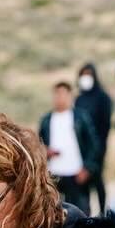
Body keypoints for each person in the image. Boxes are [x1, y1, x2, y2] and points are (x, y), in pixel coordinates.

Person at [39, 80, 103, 210]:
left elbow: (94, 145)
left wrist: (87, 168)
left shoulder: (81, 117)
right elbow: (39, 144)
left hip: (76, 173)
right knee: (54, 212)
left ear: (70, 96)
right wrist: (45, 151)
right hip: (53, 174)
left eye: (63, 94)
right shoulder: (46, 120)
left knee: (80, 213)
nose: (60, 97)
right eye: (57, 94)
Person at [75, 63, 113, 215]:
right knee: (84, 184)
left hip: (98, 147)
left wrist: (100, 149)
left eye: (89, 74)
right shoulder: (79, 99)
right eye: (83, 75)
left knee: (98, 181)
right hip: (81, 149)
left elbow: (105, 126)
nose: (86, 78)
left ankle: (103, 213)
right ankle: (86, 215)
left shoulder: (103, 98)